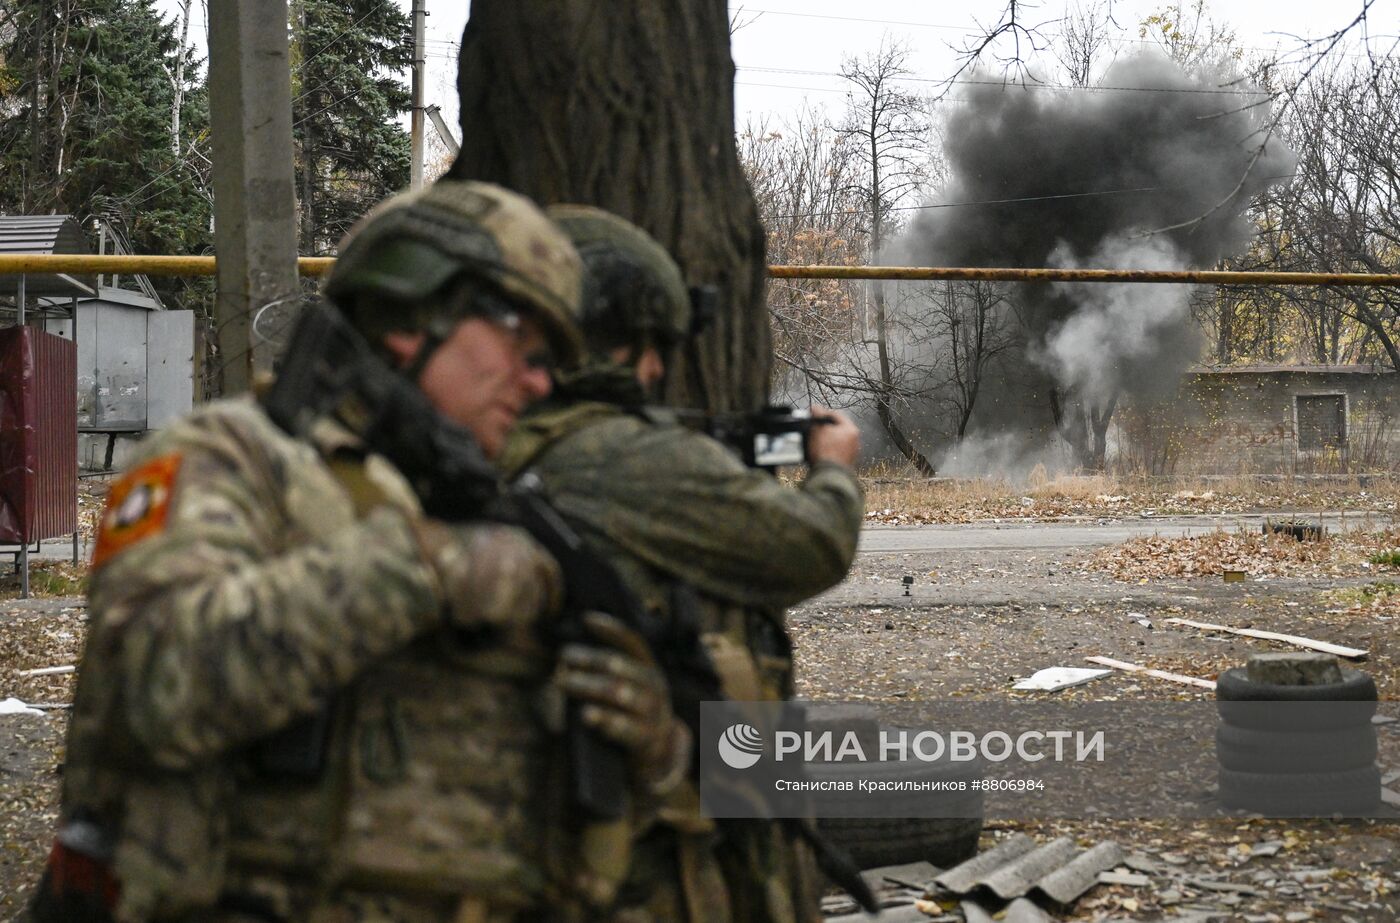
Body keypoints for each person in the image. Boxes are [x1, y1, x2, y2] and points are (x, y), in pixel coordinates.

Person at [34, 181, 685, 923]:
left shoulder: (509, 519)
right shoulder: (237, 458)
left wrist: (654, 748)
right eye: (523, 342)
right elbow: (152, 684)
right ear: (417, 312)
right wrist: (428, 569)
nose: (539, 380)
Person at [498, 205, 865, 923]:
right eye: (651, 345)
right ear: (613, 339)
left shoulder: (484, 432)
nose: (661, 368)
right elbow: (810, 546)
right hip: (629, 826)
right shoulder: (622, 458)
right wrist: (834, 472)